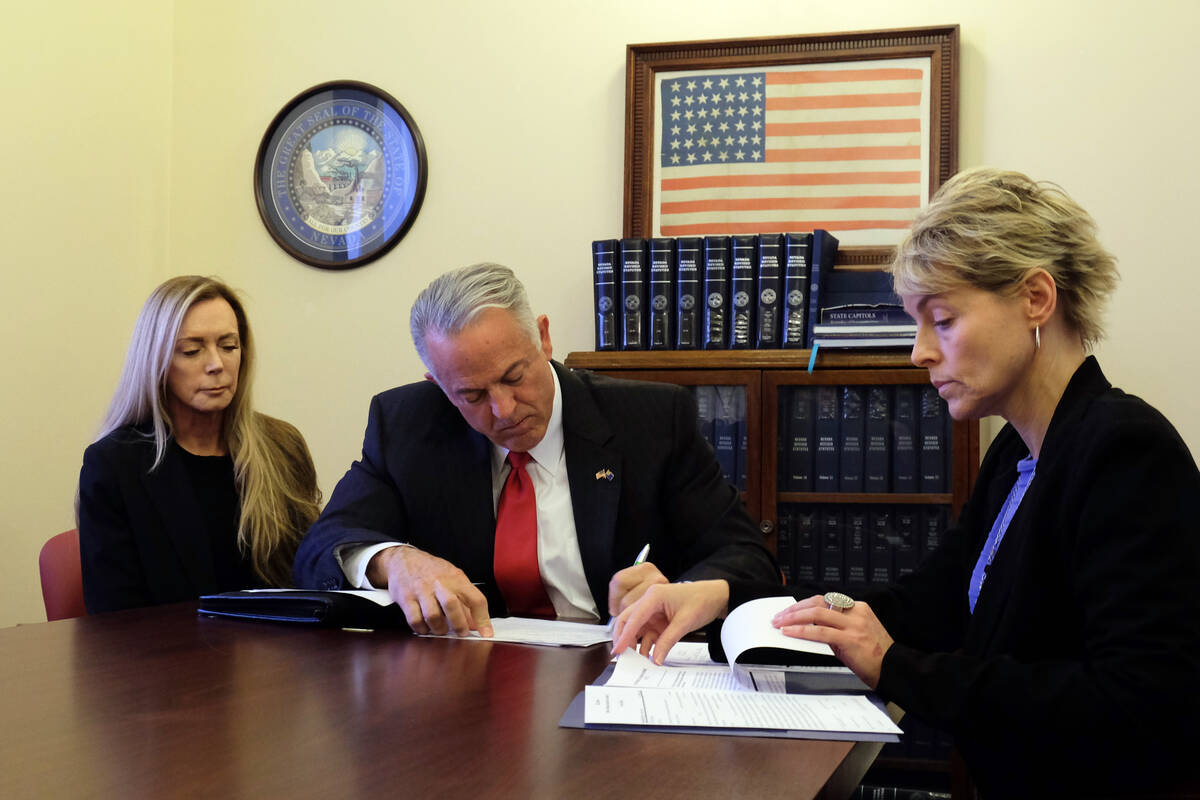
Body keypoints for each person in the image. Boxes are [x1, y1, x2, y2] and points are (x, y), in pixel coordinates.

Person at [612, 168, 1200, 797]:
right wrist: (726, 596)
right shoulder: (1017, 454)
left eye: (941, 320)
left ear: (1036, 298)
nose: (919, 351)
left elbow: (1141, 706)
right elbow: (921, 606)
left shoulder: (1123, 450)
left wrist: (894, 666)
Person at [293, 262, 778, 636]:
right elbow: (319, 548)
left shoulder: (650, 420)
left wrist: (686, 592)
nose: (503, 410)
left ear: (543, 338)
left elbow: (746, 557)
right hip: (472, 685)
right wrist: (394, 561)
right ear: (439, 387)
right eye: (472, 395)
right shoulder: (405, 425)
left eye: (513, 376)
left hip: (619, 671)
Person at [77, 276, 322, 613]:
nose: (216, 364)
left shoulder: (282, 444)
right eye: (192, 350)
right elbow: (113, 617)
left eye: (228, 346)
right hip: (168, 658)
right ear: (157, 361)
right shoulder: (114, 464)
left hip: (276, 651)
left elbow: (312, 574)